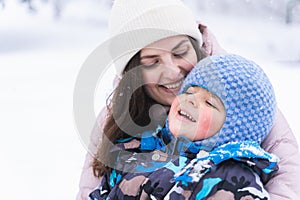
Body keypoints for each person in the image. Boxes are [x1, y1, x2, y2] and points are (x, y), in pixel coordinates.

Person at [76, 0, 300, 199]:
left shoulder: (240, 91)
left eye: (179, 52)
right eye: (152, 61)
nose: (172, 71)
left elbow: (289, 180)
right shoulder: (119, 118)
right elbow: (90, 189)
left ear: (195, 46)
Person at [88, 54, 279, 200]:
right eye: (189, 91)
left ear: (234, 128)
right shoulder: (139, 148)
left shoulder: (231, 180)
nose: (191, 100)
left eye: (209, 103)